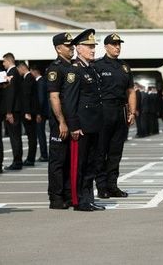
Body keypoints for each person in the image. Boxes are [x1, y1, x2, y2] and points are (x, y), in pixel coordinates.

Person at [62, 29, 105, 212]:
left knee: (91, 164)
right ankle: (78, 199)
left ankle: (88, 197)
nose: (93, 49)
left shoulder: (91, 70)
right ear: (78, 48)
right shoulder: (75, 71)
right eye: (88, 46)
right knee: (79, 164)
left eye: (93, 46)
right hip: (81, 126)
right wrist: (74, 125)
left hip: (94, 124)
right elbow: (69, 101)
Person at [94, 33, 136, 199]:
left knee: (115, 152)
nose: (117, 47)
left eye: (119, 44)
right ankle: (102, 186)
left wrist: (132, 112)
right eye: (114, 44)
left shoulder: (124, 67)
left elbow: (131, 91)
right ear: (106, 47)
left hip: (120, 111)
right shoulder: (98, 65)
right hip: (103, 111)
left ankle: (113, 185)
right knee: (101, 151)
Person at [46, 32, 75, 209]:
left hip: (72, 120)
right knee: (58, 161)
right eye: (67, 45)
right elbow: (54, 97)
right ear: (58, 48)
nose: (71, 48)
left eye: (72, 45)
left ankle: (68, 194)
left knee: (69, 160)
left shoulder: (71, 67)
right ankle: (56, 198)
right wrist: (61, 122)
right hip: (60, 122)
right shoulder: (55, 69)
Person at [1, 52, 23, 170]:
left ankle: (17, 161)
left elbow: (11, 94)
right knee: (15, 136)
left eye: (4, 61)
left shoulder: (12, 72)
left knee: (15, 136)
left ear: (9, 61)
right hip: (15, 108)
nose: (3, 64)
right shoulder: (14, 72)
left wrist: (9, 112)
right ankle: (17, 160)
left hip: (13, 110)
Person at [17, 61, 38, 166]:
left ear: (22, 68)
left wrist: (27, 112)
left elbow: (27, 96)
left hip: (29, 112)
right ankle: (30, 158)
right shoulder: (28, 78)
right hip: (30, 111)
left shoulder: (29, 78)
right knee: (31, 136)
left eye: (18, 69)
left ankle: (30, 159)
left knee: (31, 136)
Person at [31, 65, 49, 162]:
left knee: (41, 134)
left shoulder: (40, 82)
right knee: (41, 133)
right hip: (43, 111)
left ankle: (44, 154)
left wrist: (38, 113)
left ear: (35, 71)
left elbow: (40, 99)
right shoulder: (42, 81)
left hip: (41, 112)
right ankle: (44, 154)